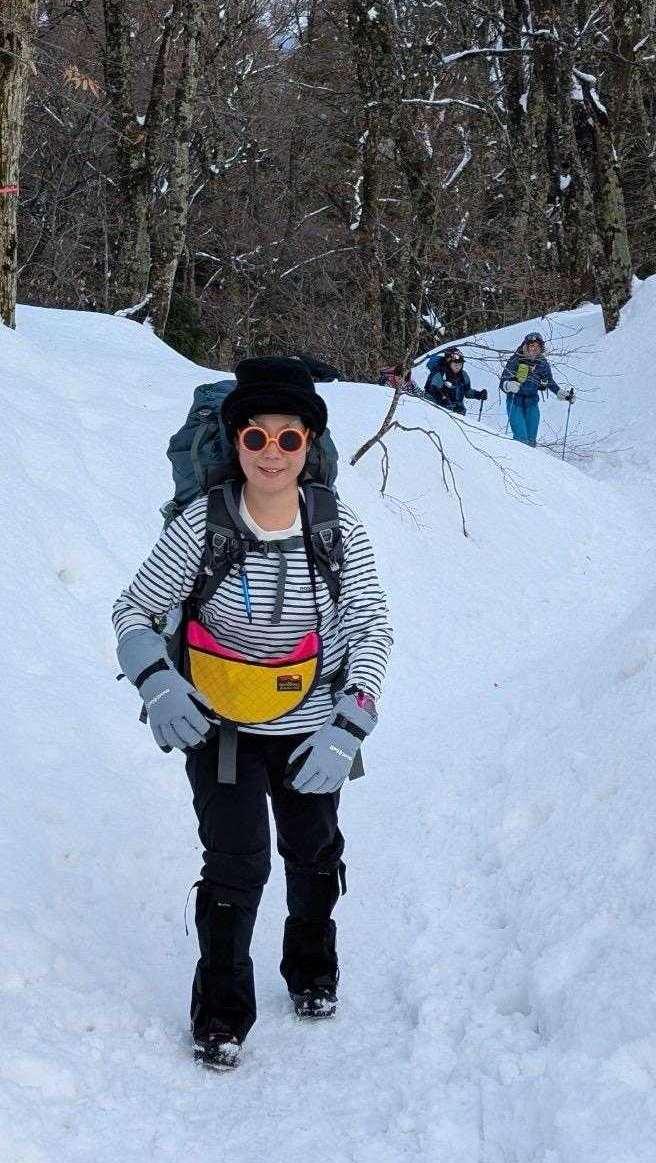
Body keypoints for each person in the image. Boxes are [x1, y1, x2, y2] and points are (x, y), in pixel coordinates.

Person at [112, 357, 392, 1071]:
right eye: (256, 436)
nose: (272, 453)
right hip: (220, 726)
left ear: (309, 443)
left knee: (314, 852)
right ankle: (222, 1013)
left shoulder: (335, 528)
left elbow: (370, 626)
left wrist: (350, 723)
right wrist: (157, 683)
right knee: (236, 865)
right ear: (235, 442)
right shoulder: (201, 525)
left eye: (288, 437)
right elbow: (134, 610)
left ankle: (312, 969)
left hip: (313, 727)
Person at [500, 331, 574, 447]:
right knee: (521, 438)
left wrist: (561, 393)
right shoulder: (516, 359)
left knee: (531, 439)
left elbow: (549, 381)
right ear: (526, 346)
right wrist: (508, 385)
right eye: (532, 345)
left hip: (532, 403)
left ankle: (529, 458)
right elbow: (502, 382)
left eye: (538, 346)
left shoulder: (542, 362)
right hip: (515, 402)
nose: (535, 348)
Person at [425, 348, 487, 415]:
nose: (458, 367)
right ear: (449, 363)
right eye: (455, 365)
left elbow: (467, 392)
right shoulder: (440, 375)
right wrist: (443, 401)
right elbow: (430, 395)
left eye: (460, 364)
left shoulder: (463, 375)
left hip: (459, 412)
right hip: (442, 413)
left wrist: (478, 394)